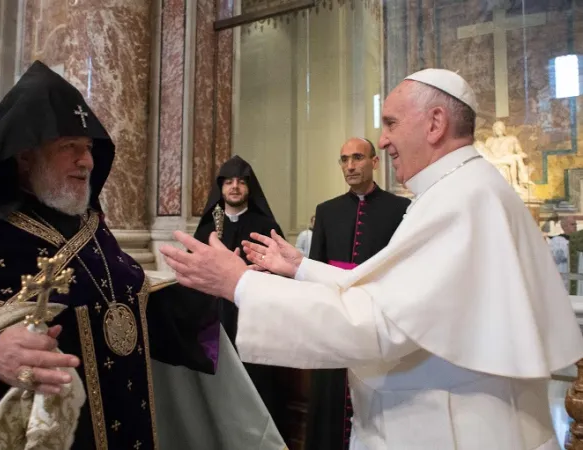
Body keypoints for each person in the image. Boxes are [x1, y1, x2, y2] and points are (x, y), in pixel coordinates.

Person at [160, 68, 583, 449]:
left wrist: (241, 284)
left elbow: (379, 323)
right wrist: (301, 267)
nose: (383, 140)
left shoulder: (464, 199)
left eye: (391, 124)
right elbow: (391, 294)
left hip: (452, 428)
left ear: (435, 123)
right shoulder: (458, 190)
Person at [0, 61, 286, 450]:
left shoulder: (90, 225)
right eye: (68, 147)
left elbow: (126, 299)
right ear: (24, 155)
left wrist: (220, 283)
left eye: (87, 147)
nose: (86, 160)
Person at [306, 137, 410, 450]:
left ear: (374, 162)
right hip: (335, 322)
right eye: (344, 160)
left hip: (378, 323)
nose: (350, 166)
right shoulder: (327, 211)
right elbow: (314, 270)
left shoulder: (401, 209)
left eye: (357, 158)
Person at [193, 154, 288, 434]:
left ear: (250, 187)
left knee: (255, 389)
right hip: (213, 323)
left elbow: (282, 274)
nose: (235, 187)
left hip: (253, 321)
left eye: (241, 182)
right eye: (229, 182)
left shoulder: (265, 226)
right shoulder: (208, 228)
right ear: (220, 187)